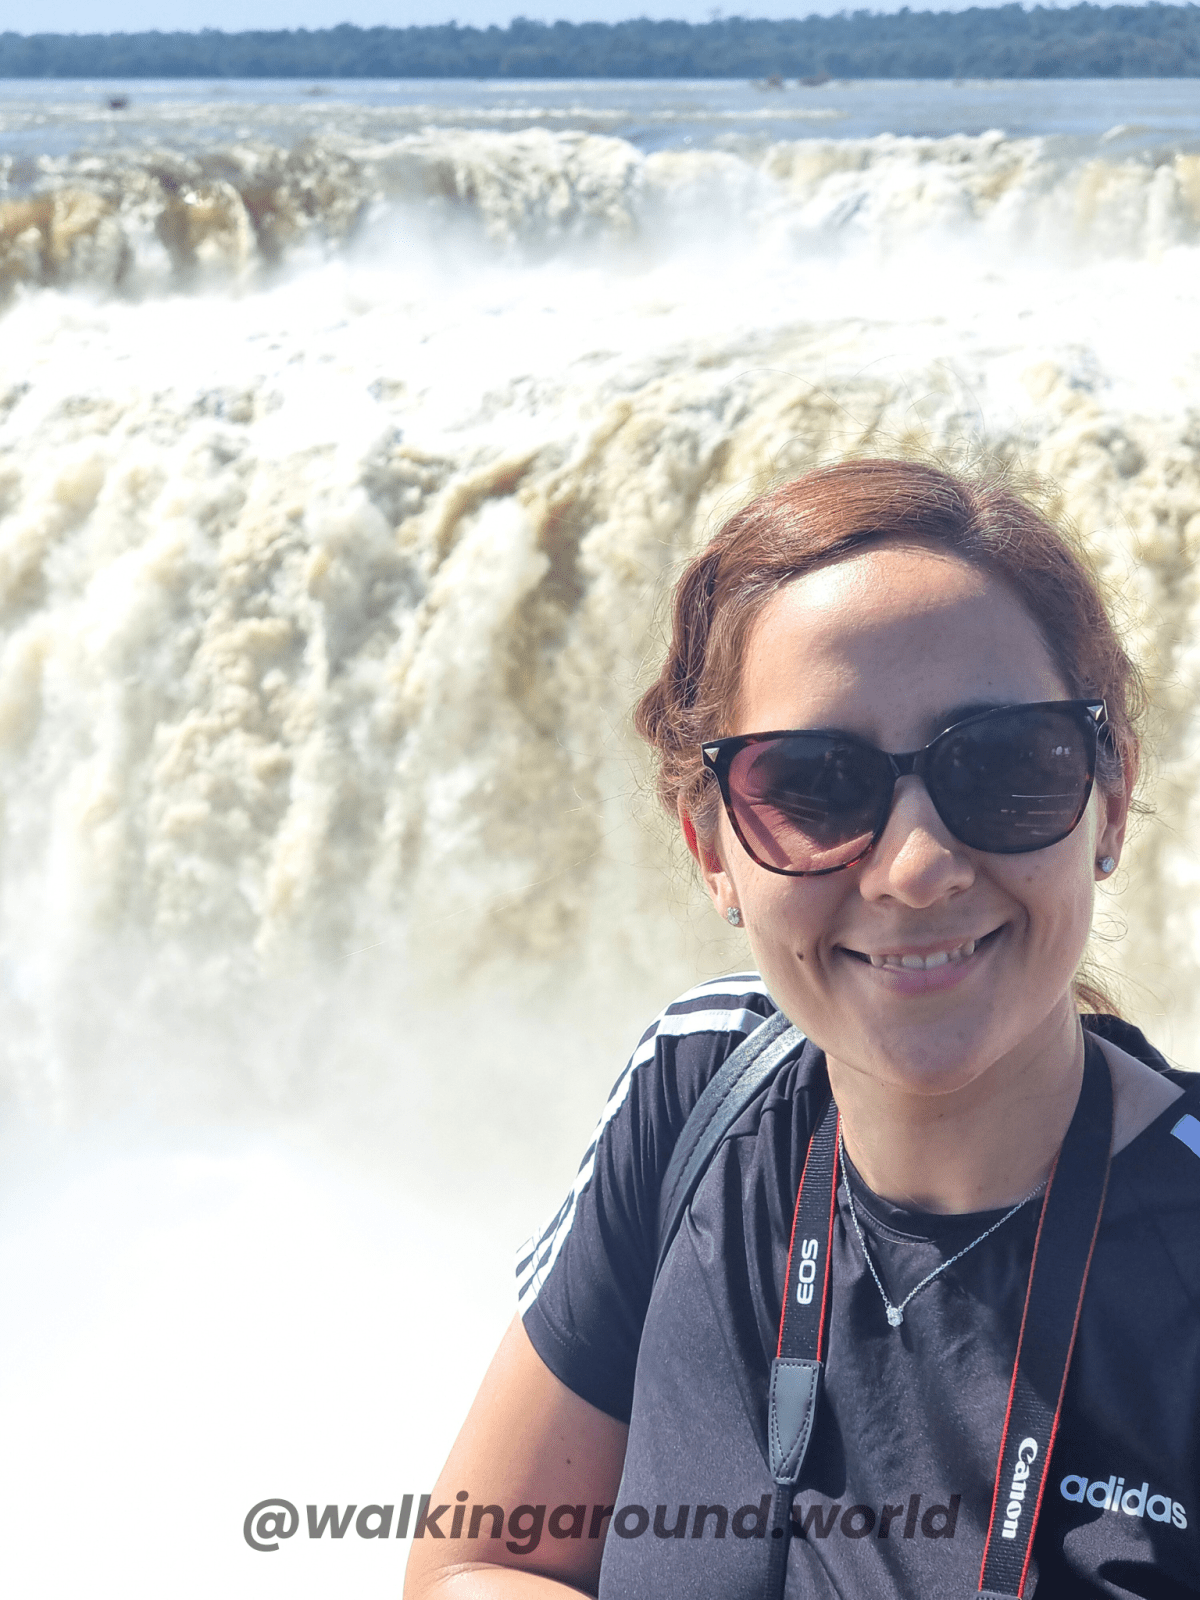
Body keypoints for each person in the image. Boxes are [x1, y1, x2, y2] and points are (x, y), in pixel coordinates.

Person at [404, 459, 1200, 1599]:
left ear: (1110, 797)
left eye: (1008, 766)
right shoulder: (697, 1088)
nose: (918, 867)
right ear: (711, 847)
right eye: (816, 787)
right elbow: (475, 1561)